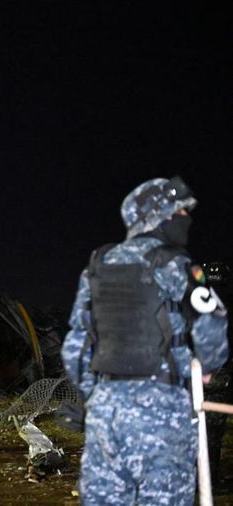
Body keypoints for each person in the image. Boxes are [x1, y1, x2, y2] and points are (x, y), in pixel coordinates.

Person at [61, 177, 228, 505]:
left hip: (105, 412)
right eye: (179, 212)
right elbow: (212, 319)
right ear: (159, 217)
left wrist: (95, 397)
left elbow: (74, 347)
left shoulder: (98, 265)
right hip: (162, 410)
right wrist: (208, 366)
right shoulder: (175, 264)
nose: (186, 219)